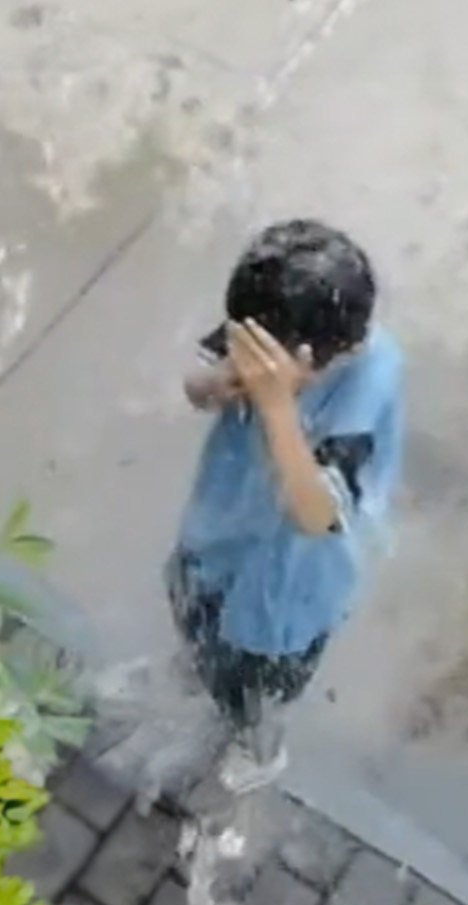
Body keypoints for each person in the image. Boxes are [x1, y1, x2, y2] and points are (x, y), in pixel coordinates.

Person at [168, 218, 404, 794]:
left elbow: (317, 517)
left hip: (288, 589)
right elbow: (196, 386)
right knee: (194, 619)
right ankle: (202, 674)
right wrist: (218, 385)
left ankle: (257, 747)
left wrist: (276, 405)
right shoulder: (267, 324)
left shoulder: (364, 388)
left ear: (306, 357)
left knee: (255, 683)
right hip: (219, 537)